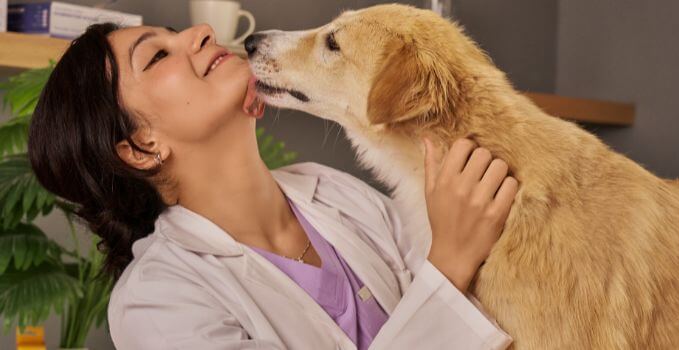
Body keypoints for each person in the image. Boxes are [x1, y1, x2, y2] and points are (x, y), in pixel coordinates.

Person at [27, 22, 518, 349]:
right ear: (139, 146)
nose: (199, 32)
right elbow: (450, 285)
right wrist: (449, 263)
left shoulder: (333, 191)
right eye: (157, 56)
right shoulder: (156, 302)